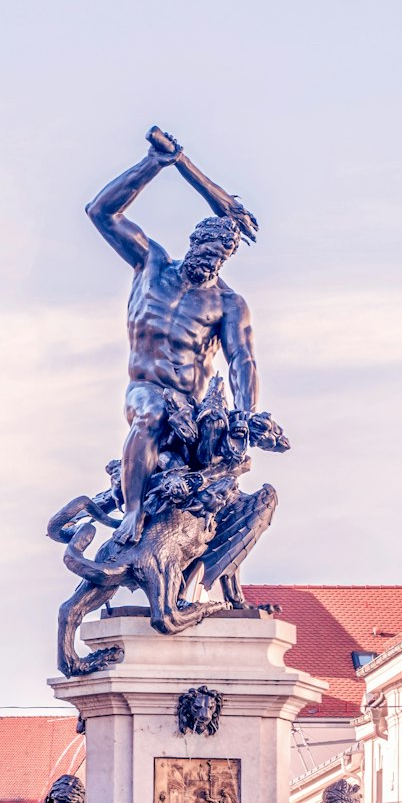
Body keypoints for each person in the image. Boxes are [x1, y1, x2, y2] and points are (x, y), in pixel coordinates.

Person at [85, 129, 260, 546]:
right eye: (207, 251)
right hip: (146, 388)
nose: (212, 262)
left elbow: (242, 361)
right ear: (194, 243)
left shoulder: (227, 303)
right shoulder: (152, 265)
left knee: (212, 474)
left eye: (222, 257)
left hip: (194, 405)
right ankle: (131, 512)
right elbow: (101, 213)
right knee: (150, 414)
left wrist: (246, 414)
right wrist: (154, 164)